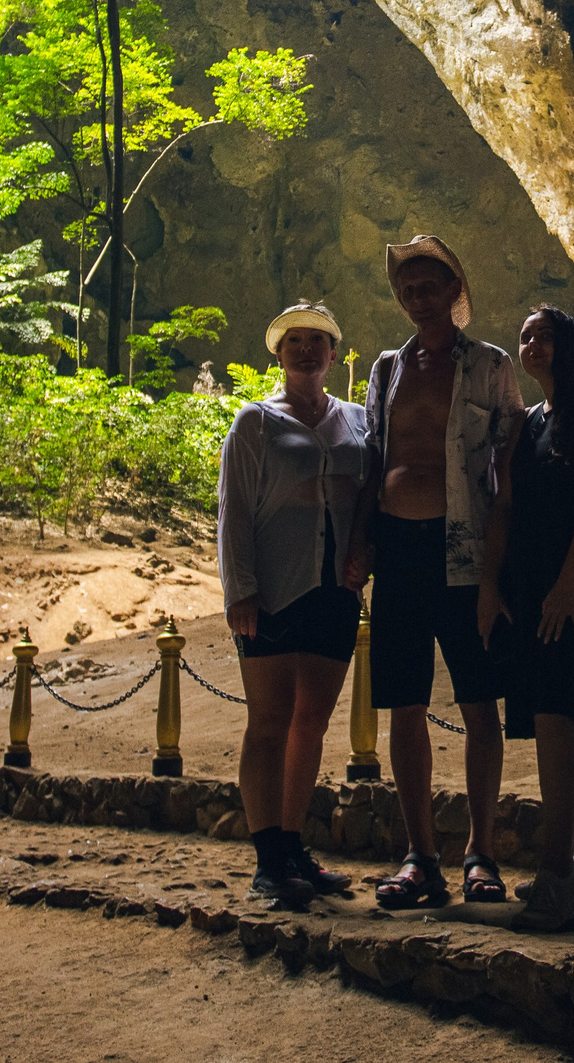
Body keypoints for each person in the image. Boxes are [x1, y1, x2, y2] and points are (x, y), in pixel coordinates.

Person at [354, 235, 524, 909]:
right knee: (405, 701)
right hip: (398, 549)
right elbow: (375, 458)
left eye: (432, 285)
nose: (420, 297)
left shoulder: (490, 366)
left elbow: (507, 479)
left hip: (465, 550)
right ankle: (420, 855)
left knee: (481, 702)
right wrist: (360, 543)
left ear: (455, 289)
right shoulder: (387, 367)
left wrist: (493, 574)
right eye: (408, 288)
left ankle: (481, 853)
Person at [218, 301, 373, 907]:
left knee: (311, 722)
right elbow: (233, 512)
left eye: (318, 340)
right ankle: (268, 860)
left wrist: (365, 555)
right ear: (278, 354)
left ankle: (292, 844)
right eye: (294, 341)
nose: (307, 350)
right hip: (274, 589)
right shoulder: (255, 422)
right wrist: (241, 591)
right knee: (269, 722)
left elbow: (368, 498)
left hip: (335, 589)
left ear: (334, 354)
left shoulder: (357, 421)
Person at [477, 306, 574, 931]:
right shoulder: (526, 422)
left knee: (559, 716)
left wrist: (569, 584)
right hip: (530, 587)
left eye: (544, 334)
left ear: (569, 345)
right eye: (525, 336)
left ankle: (557, 872)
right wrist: (492, 583)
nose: (531, 343)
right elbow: (505, 507)